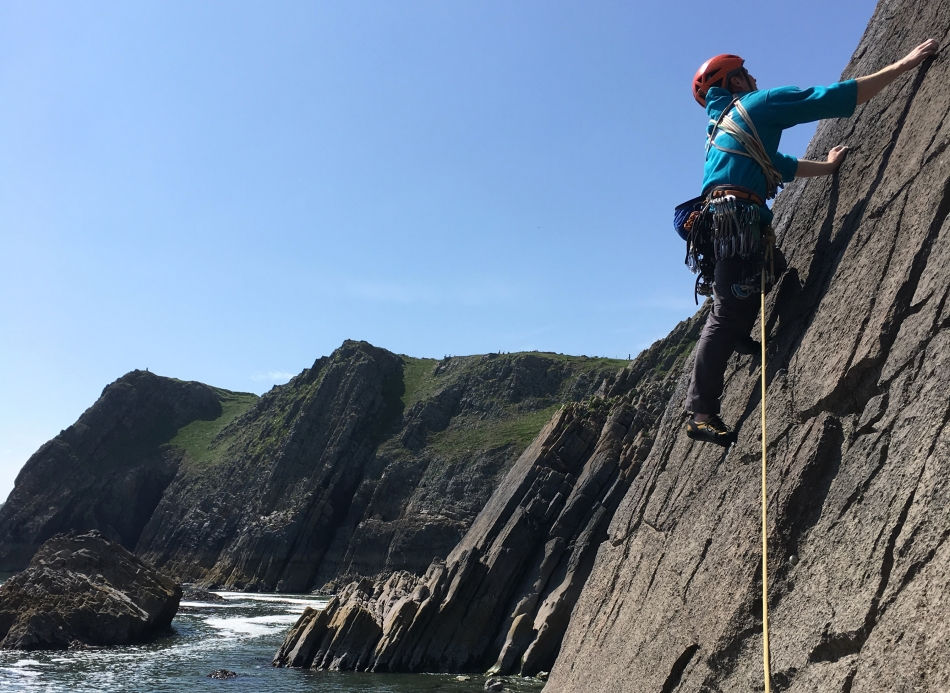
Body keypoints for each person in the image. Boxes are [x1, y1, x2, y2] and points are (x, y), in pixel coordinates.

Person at [685, 39, 939, 446]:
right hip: (736, 221)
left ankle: (736, 331)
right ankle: (700, 412)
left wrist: (828, 167)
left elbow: (779, 166)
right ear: (733, 80)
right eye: (747, 74)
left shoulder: (724, 130)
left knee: (770, 272)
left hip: (724, 225)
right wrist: (903, 64)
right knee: (727, 310)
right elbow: (834, 98)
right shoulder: (758, 106)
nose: (755, 78)